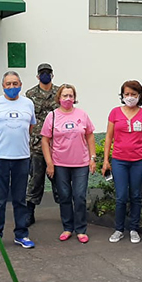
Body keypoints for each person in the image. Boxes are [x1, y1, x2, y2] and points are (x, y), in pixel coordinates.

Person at [0, 71, 36, 252]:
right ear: (3, 86)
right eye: (8, 84)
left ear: (20, 84)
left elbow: (30, 126)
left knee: (20, 200)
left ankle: (21, 235)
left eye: (15, 83)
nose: (12, 87)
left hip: (22, 158)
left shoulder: (28, 103)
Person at [41, 84, 96, 243]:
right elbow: (45, 140)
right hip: (60, 163)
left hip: (81, 163)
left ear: (75, 98)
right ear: (59, 98)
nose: (68, 99)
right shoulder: (52, 116)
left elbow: (90, 136)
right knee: (64, 196)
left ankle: (81, 229)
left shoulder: (82, 115)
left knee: (79, 196)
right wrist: (49, 163)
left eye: (71, 95)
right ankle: (67, 228)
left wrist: (92, 158)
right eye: (64, 96)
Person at [102, 80, 142, 245]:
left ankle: (133, 228)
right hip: (119, 161)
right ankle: (119, 229)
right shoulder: (115, 113)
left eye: (133, 94)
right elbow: (109, 137)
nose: (130, 97)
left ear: (139, 96)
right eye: (127, 94)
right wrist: (106, 161)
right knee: (121, 196)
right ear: (122, 95)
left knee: (136, 195)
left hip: (139, 161)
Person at [25, 62, 60, 225]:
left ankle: (66, 213)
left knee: (60, 181)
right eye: (42, 73)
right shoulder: (30, 94)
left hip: (58, 144)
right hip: (37, 144)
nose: (45, 75)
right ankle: (29, 213)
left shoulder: (60, 92)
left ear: (52, 75)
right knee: (36, 180)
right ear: (38, 76)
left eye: (48, 72)